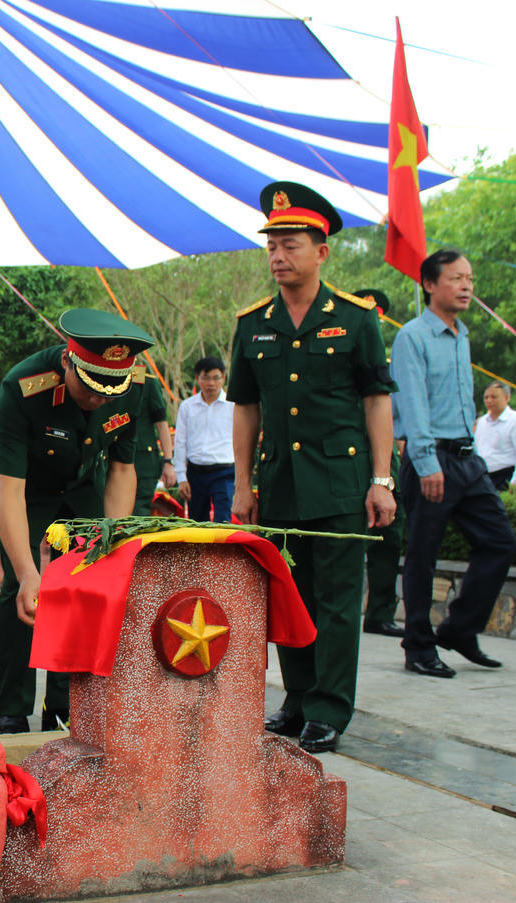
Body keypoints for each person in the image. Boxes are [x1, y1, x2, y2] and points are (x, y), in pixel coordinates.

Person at [228, 182, 396, 754]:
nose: (278, 256)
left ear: (321, 251)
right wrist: (244, 484)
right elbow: (246, 408)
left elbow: (377, 399)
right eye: (272, 245)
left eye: (290, 244)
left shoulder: (354, 319)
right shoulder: (253, 324)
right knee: (288, 596)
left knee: (338, 600)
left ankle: (329, 709)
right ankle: (297, 699)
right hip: (279, 485)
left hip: (343, 484)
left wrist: (382, 478)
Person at [0, 309, 153, 734]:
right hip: (23, 486)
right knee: (26, 588)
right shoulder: (24, 386)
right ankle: (12, 709)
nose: (99, 399)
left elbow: (122, 470)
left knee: (84, 583)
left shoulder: (132, 387)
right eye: (90, 390)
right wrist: (26, 569)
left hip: (80, 485)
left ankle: (65, 705)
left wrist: (110, 546)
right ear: (67, 363)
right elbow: (11, 490)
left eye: (109, 393)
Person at [391, 250, 516, 678]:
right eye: (456, 278)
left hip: (467, 458)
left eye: (469, 279)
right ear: (429, 284)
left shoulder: (461, 335)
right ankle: (419, 647)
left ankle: (460, 628)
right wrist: (426, 462)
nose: (466, 286)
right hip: (432, 458)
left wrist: (472, 455)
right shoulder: (412, 336)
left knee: (499, 540)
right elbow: (412, 402)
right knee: (423, 556)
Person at [356, 290, 406, 638]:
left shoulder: (390, 359)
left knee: (390, 536)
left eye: (378, 314)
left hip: (388, 457)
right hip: (349, 453)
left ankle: (380, 613)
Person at [174, 356, 235, 522]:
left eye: (216, 378)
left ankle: (222, 549)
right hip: (196, 472)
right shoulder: (187, 406)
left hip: (224, 471)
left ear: (223, 378)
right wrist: (181, 478)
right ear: (197, 379)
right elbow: (180, 441)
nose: (211, 384)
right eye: (205, 378)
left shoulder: (233, 406)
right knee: (197, 522)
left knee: (223, 521)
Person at [130, 364, 176, 516]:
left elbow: (162, 425)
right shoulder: (107, 378)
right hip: (110, 461)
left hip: (143, 463)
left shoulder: (147, 382)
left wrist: (168, 462)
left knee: (139, 513)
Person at [474, 381, 516, 492]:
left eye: (494, 397)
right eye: (486, 397)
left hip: (506, 476)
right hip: (483, 477)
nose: (489, 400)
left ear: (506, 398)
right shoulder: (482, 422)